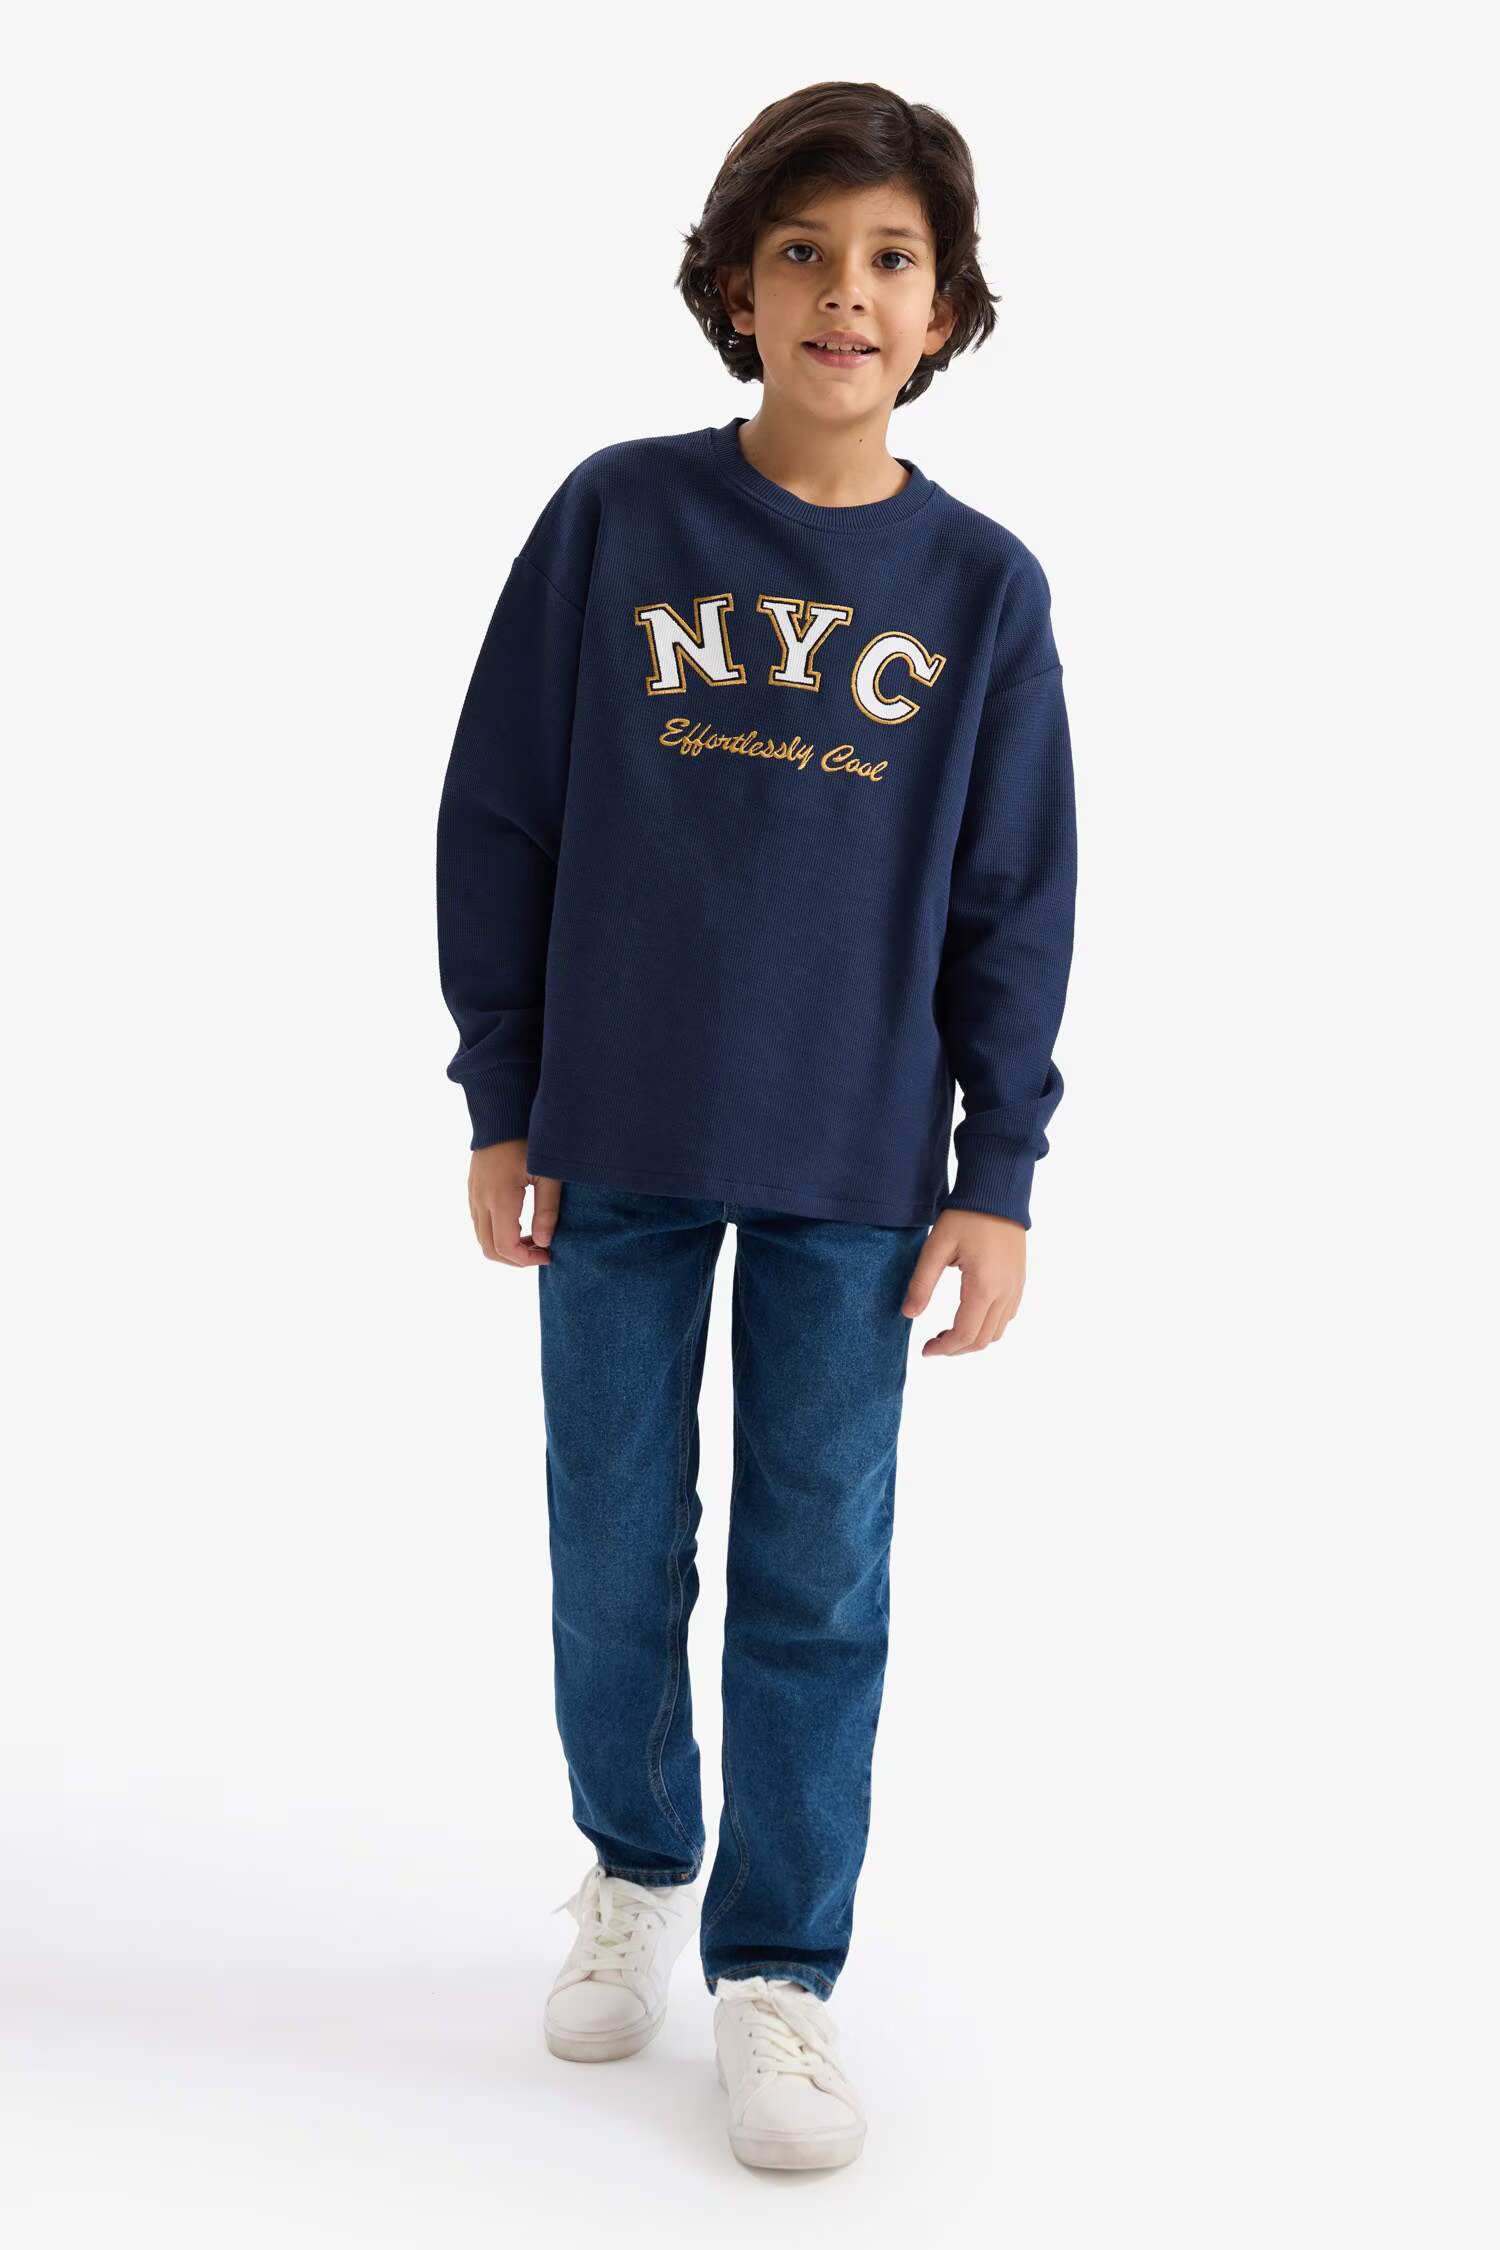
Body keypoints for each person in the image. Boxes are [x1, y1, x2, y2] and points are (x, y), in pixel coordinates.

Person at [435, 78, 1078, 2172]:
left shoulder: (981, 589)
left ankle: (780, 1974)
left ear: (947, 312)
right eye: (805, 252)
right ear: (734, 285)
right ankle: (636, 1868)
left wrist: (997, 1176)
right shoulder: (618, 519)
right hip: (613, 1133)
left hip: (854, 1166)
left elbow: (1014, 899)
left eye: (891, 259)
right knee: (615, 1541)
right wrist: (503, 1093)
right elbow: (502, 812)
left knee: (817, 1577)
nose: (845, 294)